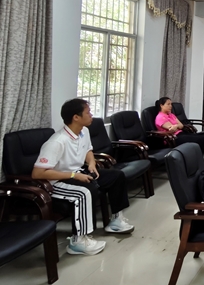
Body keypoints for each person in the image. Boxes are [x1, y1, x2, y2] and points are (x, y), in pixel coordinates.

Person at [32, 98, 134, 256]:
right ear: (76, 117)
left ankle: (115, 220)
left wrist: (91, 163)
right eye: (88, 112)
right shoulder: (57, 141)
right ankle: (78, 241)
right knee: (84, 192)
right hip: (56, 181)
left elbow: (88, 150)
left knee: (116, 176)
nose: (91, 115)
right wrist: (74, 175)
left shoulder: (83, 131)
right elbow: (38, 173)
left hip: (78, 172)